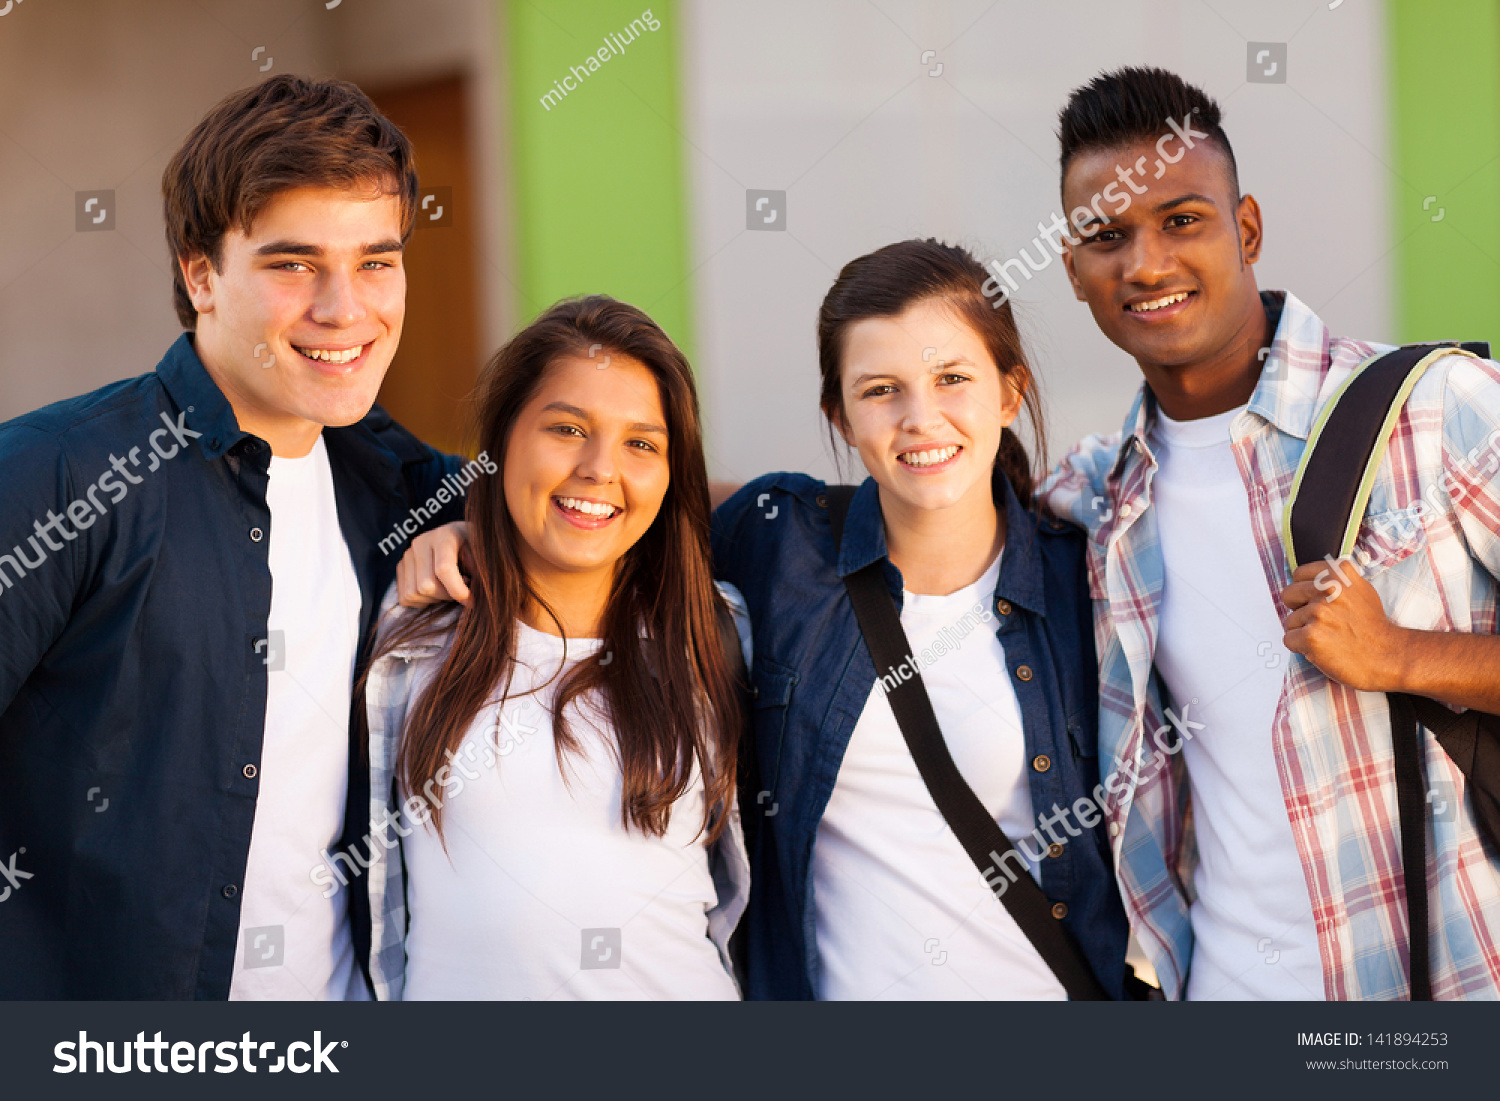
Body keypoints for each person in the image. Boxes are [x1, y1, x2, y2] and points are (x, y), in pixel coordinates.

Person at [397, 240, 1130, 1000]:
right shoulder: (783, 546)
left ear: (1009, 393)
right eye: (881, 389)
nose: (921, 417)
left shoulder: (1089, 581)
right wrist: (466, 523)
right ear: (837, 414)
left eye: (952, 379)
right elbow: (620, 507)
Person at [0, 75, 469, 999]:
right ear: (200, 273)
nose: (345, 310)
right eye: (293, 263)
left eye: (377, 260)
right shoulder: (58, 475)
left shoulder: (402, 490)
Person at [1040, 67, 1500, 999]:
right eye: (1107, 237)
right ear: (1074, 270)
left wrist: (1401, 654)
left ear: (1245, 228)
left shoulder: (1437, 407)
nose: (1147, 265)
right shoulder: (1103, 492)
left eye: (1181, 220)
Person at [360, 296, 748, 1000]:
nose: (601, 468)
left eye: (642, 443)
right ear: (504, 438)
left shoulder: (714, 634)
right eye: (568, 427)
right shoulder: (412, 635)